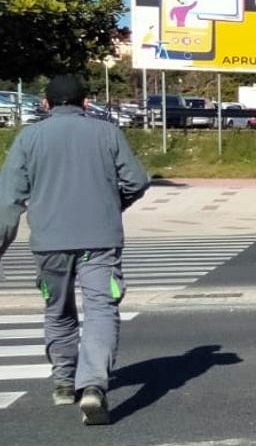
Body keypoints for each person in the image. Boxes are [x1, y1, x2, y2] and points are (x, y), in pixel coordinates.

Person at [0, 75, 150, 425]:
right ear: (86, 103)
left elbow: (9, 199)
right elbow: (137, 180)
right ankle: (94, 384)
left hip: (49, 242)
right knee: (100, 310)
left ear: (45, 105)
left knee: (58, 309)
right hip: (100, 240)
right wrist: (113, 204)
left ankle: (64, 382)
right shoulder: (107, 133)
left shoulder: (29, 138)